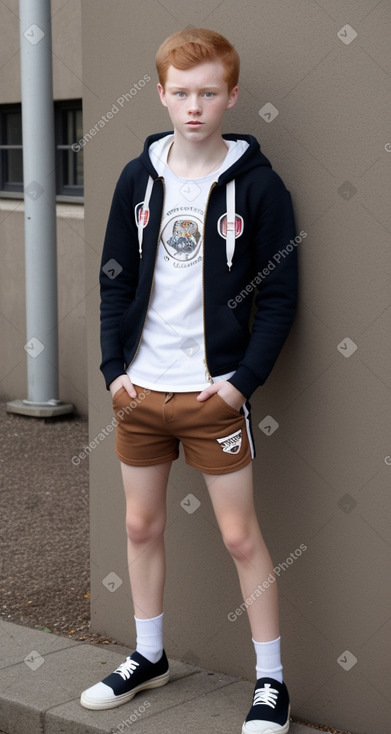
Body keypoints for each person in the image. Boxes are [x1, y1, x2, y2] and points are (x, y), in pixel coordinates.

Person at [80, 27, 298, 734]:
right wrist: (114, 372)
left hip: (212, 396)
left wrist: (241, 383)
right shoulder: (137, 178)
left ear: (230, 95)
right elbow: (114, 279)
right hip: (141, 393)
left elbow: (281, 297)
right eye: (181, 93)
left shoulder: (258, 187)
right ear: (161, 95)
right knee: (140, 525)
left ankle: (271, 682)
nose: (195, 106)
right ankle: (147, 656)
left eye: (208, 92)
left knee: (240, 537)